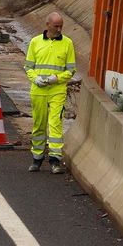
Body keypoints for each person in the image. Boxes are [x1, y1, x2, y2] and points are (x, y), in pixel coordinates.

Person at [25, 11, 77, 174]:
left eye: (61, 26)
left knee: (55, 124)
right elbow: (28, 67)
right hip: (39, 91)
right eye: (56, 26)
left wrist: (57, 78)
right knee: (39, 124)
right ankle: (37, 159)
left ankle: (55, 159)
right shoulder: (35, 42)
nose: (60, 29)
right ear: (47, 25)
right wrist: (36, 79)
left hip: (57, 90)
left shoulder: (67, 43)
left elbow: (71, 70)